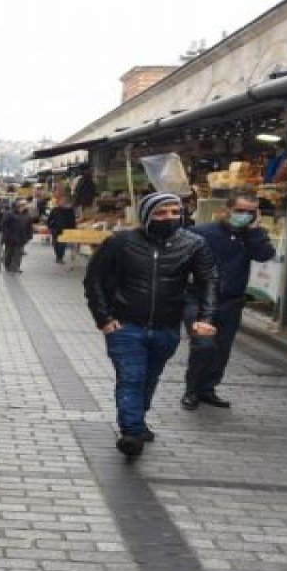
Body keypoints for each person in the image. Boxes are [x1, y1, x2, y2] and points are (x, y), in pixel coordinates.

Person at [83, 192, 218, 458]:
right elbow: (94, 280)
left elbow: (209, 281)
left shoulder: (194, 244)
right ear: (146, 215)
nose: (168, 218)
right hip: (125, 326)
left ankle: (138, 419)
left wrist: (206, 317)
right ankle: (131, 432)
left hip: (167, 326)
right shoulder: (120, 242)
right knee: (131, 377)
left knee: (149, 377)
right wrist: (104, 318)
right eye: (160, 213)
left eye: (173, 212)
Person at [182, 191, 275, 410]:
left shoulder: (253, 236)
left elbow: (264, 255)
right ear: (226, 210)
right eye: (240, 211)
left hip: (231, 302)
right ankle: (192, 391)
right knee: (204, 345)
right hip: (199, 300)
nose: (244, 215)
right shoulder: (200, 233)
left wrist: (255, 231)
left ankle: (208, 389)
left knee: (221, 349)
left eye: (250, 212)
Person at [0, 199, 34, 273]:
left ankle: (15, 267)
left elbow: (29, 226)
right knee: (9, 252)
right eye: (24, 204)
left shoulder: (27, 214)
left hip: (21, 237)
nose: (26, 206)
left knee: (18, 253)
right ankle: (8, 265)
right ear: (19, 205)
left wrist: (29, 235)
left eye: (26, 204)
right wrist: (7, 235)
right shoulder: (9, 213)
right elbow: (3, 225)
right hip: (10, 237)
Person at [46, 195, 77, 264]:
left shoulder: (70, 210)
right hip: (55, 229)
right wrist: (50, 227)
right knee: (55, 243)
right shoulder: (55, 209)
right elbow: (50, 219)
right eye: (62, 201)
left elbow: (73, 221)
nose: (62, 202)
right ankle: (58, 257)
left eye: (64, 201)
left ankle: (60, 257)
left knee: (62, 244)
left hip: (65, 230)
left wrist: (73, 229)